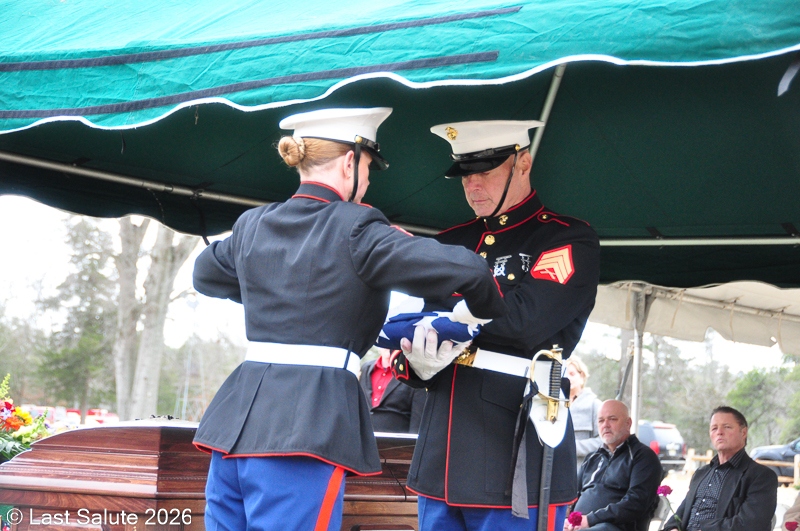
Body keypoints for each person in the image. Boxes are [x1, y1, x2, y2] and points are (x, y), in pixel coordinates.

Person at [191, 107, 507, 531]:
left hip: (234, 420)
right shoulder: (358, 227)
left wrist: (271, 288)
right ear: (348, 162)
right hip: (305, 423)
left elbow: (204, 274)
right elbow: (470, 271)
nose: (369, 181)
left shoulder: (253, 223)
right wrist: (477, 314)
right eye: (369, 168)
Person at [391, 120, 601, 530]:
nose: (472, 185)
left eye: (485, 172)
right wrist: (415, 364)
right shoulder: (450, 241)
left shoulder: (567, 239)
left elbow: (524, 321)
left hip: (513, 449)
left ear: (523, 164)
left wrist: (451, 312)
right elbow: (416, 325)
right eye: (465, 175)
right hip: (440, 454)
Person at [663, 406, 778, 531]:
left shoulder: (761, 476)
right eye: (714, 428)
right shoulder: (701, 473)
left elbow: (751, 524)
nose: (719, 432)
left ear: (743, 432)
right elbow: (682, 513)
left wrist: (704, 529)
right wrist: (673, 527)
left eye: (727, 427)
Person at [565, 400, 662, 531]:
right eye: (601, 421)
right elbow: (572, 497)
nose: (605, 425)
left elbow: (636, 503)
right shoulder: (592, 458)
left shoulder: (643, 457)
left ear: (628, 423)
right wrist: (567, 520)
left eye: (612, 419)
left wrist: (590, 520)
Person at [360, 348, 427, 433]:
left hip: (396, 439)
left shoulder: (413, 373)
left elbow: (417, 419)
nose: (388, 346)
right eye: (385, 342)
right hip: (365, 436)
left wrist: (413, 440)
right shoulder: (365, 368)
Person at [565, 355, 603, 468]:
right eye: (564, 374)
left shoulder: (595, 405)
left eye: (572, 374)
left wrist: (572, 447)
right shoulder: (554, 405)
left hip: (584, 471)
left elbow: (603, 441)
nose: (568, 378)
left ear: (582, 376)